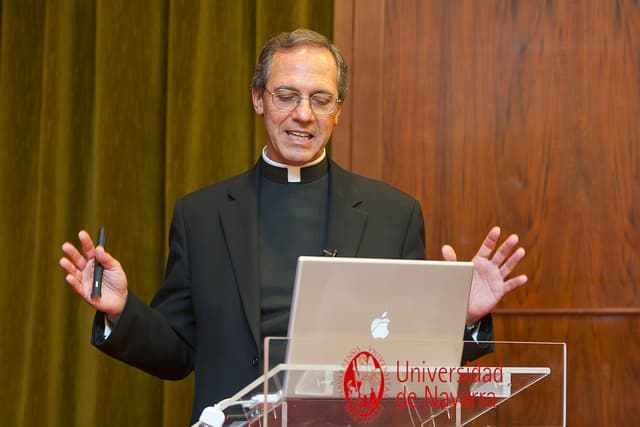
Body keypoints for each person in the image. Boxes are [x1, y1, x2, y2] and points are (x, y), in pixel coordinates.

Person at [59, 29, 527, 423]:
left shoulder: (393, 213)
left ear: (338, 110)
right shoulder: (200, 216)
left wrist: (461, 319)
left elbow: (414, 361)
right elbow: (178, 352)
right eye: (287, 96)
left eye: (320, 99)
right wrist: (122, 310)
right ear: (259, 100)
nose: (303, 114)